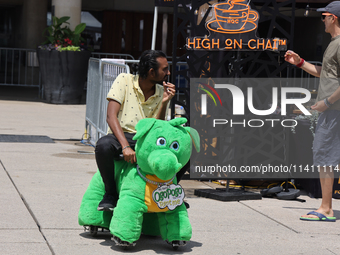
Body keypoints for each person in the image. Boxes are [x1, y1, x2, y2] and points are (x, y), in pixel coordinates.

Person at [95, 50, 176, 211]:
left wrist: (165, 101)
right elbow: (111, 116)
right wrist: (125, 146)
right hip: (121, 136)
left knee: (181, 147)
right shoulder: (124, 80)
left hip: (147, 139)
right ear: (151, 72)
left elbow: (157, 128)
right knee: (103, 145)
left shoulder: (161, 92)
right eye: (165, 69)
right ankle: (110, 194)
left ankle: (172, 194)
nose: (168, 72)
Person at [284, 1, 340, 221]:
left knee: (324, 155)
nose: (322, 20)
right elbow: (325, 73)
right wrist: (300, 63)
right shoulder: (334, 43)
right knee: (326, 155)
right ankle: (325, 206)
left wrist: (327, 102)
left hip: (333, 110)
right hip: (332, 110)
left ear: (333, 18)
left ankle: (326, 209)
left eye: (324, 16)